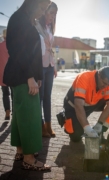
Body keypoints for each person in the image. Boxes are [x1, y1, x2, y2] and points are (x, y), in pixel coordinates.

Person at [3, 0, 51, 171]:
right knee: (30, 115)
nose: (43, 12)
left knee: (20, 115)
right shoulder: (20, 19)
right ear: (32, 4)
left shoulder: (25, 19)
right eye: (42, 7)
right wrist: (30, 76)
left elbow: (32, 51)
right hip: (23, 75)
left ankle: (21, 151)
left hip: (24, 75)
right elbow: (17, 49)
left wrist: (36, 75)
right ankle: (29, 159)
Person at [58, 66, 109, 142]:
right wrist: (87, 128)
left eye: (108, 84)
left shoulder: (107, 84)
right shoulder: (84, 77)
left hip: (90, 105)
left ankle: (100, 130)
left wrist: (99, 124)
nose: (105, 86)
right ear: (99, 74)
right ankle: (66, 117)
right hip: (73, 107)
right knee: (76, 137)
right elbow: (78, 104)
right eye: (104, 83)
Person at [35, 2, 58, 138]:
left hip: (49, 66)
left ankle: (49, 125)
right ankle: (41, 125)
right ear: (44, 12)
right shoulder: (36, 25)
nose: (53, 16)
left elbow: (50, 49)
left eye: (55, 14)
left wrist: (54, 65)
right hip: (40, 66)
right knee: (40, 98)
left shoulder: (50, 28)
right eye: (51, 13)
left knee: (48, 97)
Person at [0, 29, 13, 120]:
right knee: (14, 93)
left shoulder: (0, 46)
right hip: (12, 73)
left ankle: (7, 112)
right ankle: (15, 112)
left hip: (2, 73)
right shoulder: (13, 46)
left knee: (5, 94)